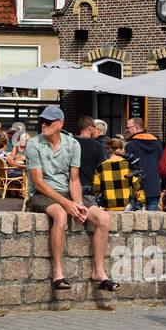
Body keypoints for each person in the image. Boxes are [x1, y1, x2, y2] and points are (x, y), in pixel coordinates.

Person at [25, 105, 117, 293]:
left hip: (67, 193)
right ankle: (57, 273)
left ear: (60, 124)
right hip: (41, 194)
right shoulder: (34, 144)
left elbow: (74, 180)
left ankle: (98, 272)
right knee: (60, 215)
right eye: (42, 121)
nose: (43, 125)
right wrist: (67, 204)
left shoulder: (73, 144)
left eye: (48, 122)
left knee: (103, 218)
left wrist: (79, 204)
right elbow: (38, 182)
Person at [94, 136, 144, 213]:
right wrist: (142, 201)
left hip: (108, 206)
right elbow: (136, 186)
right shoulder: (128, 165)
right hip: (127, 207)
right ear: (119, 150)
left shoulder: (101, 167)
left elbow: (96, 188)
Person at [124, 116, 162, 212]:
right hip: (154, 186)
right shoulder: (157, 143)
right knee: (152, 222)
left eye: (128, 128)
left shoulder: (130, 145)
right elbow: (162, 165)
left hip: (137, 189)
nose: (126, 130)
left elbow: (127, 167)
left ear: (136, 128)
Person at [75, 115, 108, 193]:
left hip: (73, 185)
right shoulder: (97, 145)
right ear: (90, 127)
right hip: (90, 186)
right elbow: (101, 168)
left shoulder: (71, 142)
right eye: (94, 127)